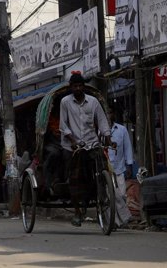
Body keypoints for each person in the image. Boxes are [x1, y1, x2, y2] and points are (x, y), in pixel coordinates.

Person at [59, 72, 111, 227]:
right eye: (75, 86)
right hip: (72, 146)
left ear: (84, 87)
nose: (78, 88)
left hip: (91, 144)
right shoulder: (65, 102)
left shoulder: (93, 102)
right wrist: (73, 141)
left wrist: (109, 139)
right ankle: (76, 212)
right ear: (71, 87)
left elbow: (102, 122)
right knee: (74, 178)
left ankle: (103, 195)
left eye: (80, 85)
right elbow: (63, 125)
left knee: (101, 170)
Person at [107, 106, 133, 228]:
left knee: (121, 194)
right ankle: (114, 222)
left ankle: (122, 219)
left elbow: (127, 148)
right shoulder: (99, 131)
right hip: (106, 170)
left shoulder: (122, 130)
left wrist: (129, 165)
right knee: (109, 196)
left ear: (113, 115)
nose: (108, 115)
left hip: (119, 168)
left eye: (110, 112)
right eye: (106, 113)